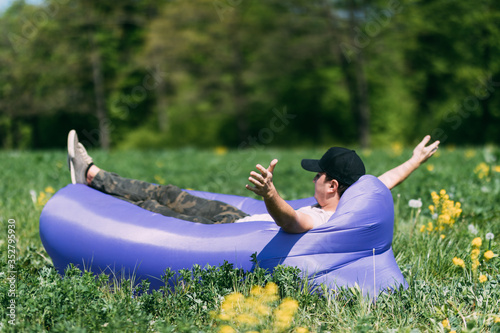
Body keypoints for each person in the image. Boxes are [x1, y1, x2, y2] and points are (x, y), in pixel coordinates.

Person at [67, 130, 439, 233]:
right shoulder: (355, 197)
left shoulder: (325, 219)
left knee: (153, 208)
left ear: (333, 186)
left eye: (318, 175)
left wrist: (271, 194)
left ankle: (90, 194)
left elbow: (293, 221)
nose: (314, 179)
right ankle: (91, 174)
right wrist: (414, 160)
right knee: (168, 193)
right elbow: (384, 181)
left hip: (225, 233)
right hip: (236, 219)